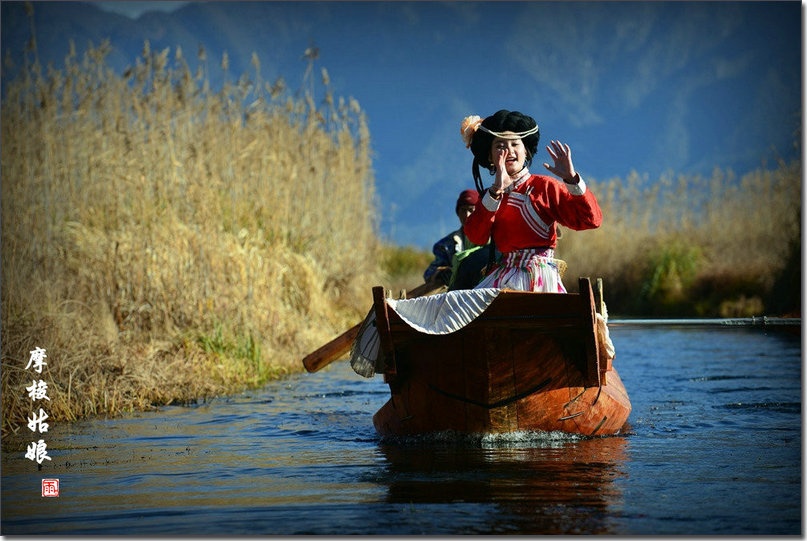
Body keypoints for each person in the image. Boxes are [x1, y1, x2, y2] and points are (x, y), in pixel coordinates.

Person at [460, 109, 602, 293]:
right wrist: (496, 191)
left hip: (541, 280)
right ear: (490, 157)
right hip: (502, 276)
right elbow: (476, 237)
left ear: (525, 152)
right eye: (500, 146)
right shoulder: (490, 196)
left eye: (514, 144)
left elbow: (590, 220)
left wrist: (572, 179)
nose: (508, 151)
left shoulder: (545, 187)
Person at [423, 188, 492, 289]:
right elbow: (429, 273)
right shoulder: (445, 245)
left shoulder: (493, 239)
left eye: (471, 210)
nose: (467, 215)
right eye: (463, 210)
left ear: (479, 212)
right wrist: (441, 274)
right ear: (458, 213)